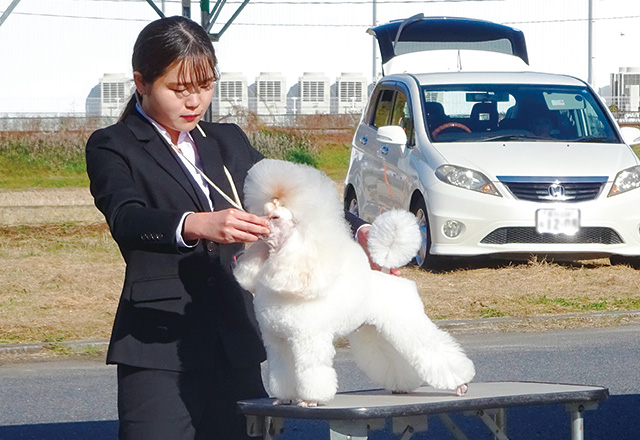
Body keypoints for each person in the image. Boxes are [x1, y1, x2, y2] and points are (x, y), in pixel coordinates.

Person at [86, 15, 371, 440]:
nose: (194, 102)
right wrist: (196, 224)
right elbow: (125, 218)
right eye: (178, 90)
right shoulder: (113, 144)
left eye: (205, 86)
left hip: (235, 337)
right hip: (158, 344)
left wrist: (358, 229)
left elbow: (294, 193)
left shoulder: (227, 140)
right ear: (141, 82)